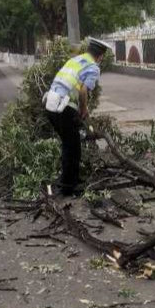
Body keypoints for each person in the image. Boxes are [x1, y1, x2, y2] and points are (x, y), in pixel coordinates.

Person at [43, 38, 111, 196]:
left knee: (68, 145)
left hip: (51, 105)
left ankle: (70, 180)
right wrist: (84, 109)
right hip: (64, 108)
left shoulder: (75, 60)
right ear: (100, 56)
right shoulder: (93, 67)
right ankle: (67, 188)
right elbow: (82, 91)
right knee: (73, 148)